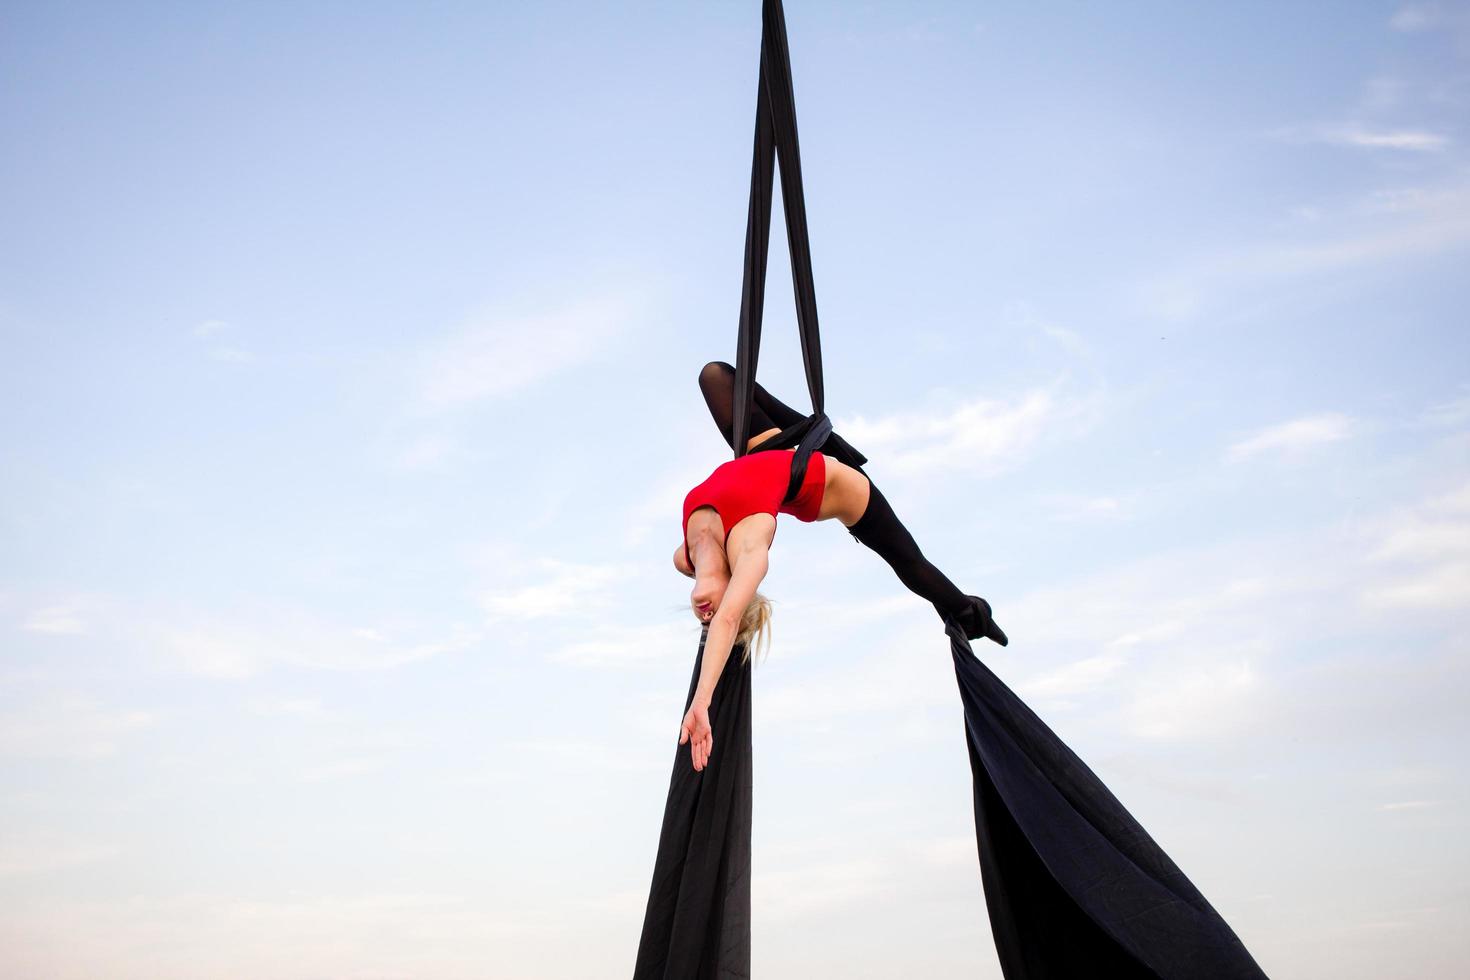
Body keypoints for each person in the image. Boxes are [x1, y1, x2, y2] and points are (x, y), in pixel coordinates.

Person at [674, 360, 1006, 771]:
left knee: (715, 375)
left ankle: (817, 431)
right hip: (837, 487)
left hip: (768, 453)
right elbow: (727, 621)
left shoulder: (685, 555)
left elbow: (716, 610)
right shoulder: (748, 546)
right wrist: (701, 700)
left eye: (704, 619)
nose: (709, 617)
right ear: (737, 598)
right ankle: (969, 611)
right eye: (724, 612)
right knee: (910, 563)